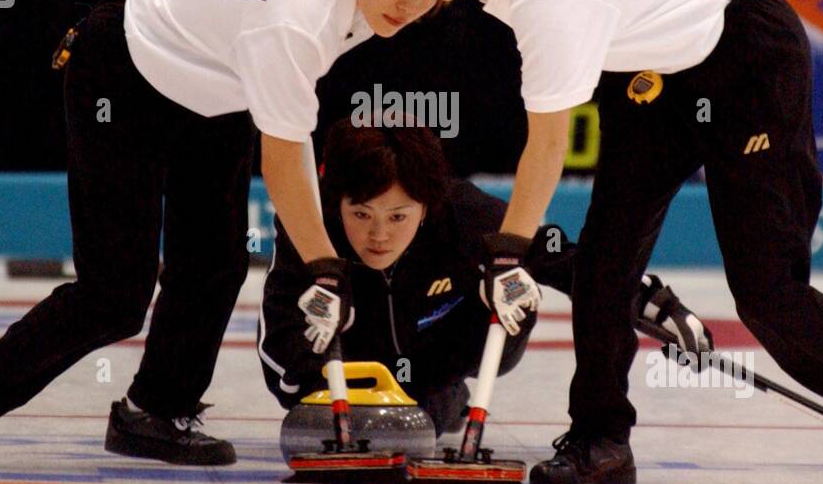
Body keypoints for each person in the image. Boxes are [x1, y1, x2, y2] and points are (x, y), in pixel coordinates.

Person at [354, 0, 823, 484]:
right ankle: (601, 439)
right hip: (651, 69)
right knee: (605, 265)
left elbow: (545, 147)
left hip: (744, 56)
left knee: (765, 283)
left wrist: (507, 252)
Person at [0, 0, 446, 468]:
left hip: (215, 74)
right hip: (125, 66)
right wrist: (324, 267)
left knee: (215, 263)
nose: (411, 5)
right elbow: (284, 158)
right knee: (115, 293)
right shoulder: (298, 19)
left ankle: (156, 410)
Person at [259, 117, 707, 435]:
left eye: (398, 216)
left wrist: (654, 304)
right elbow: (277, 339)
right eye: (361, 214)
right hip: (342, 366)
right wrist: (314, 387)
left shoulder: (464, 213)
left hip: (439, 356)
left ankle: (445, 396)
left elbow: (566, 260)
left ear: (427, 206)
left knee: (509, 277)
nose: (378, 235)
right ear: (337, 203)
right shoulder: (308, 225)